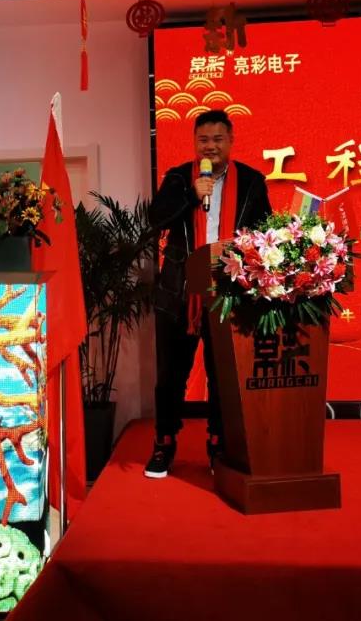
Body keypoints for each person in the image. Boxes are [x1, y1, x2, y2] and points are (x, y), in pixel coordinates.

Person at [144, 109, 272, 478]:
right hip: (179, 293)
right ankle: (164, 442)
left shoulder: (251, 181)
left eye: (217, 139)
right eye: (203, 140)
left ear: (230, 141)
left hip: (229, 292)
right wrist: (190, 195)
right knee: (171, 375)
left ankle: (218, 443)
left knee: (223, 376)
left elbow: (264, 232)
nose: (210, 146)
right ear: (194, 142)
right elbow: (155, 219)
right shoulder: (178, 178)